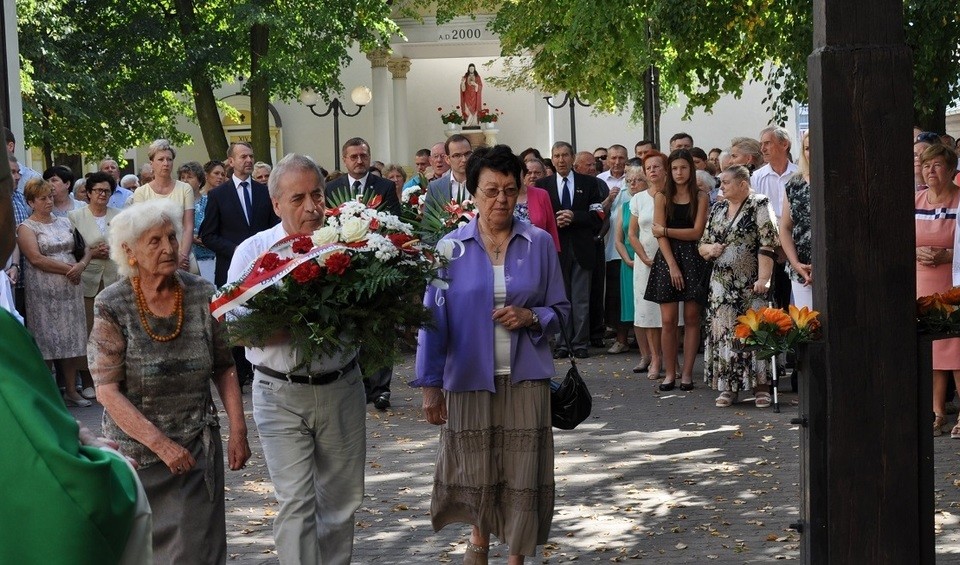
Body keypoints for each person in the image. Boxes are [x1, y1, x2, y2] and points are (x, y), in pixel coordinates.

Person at [414, 144, 570, 564]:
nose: (501, 199)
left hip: (526, 376)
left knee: (522, 472)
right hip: (467, 376)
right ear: (473, 193)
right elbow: (432, 323)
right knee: (476, 468)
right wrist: (430, 386)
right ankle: (479, 541)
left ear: (521, 191)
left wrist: (531, 316)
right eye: (491, 190)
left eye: (509, 189)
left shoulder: (537, 243)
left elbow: (561, 311)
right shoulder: (450, 248)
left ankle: (517, 555)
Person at [90, 199, 249, 562]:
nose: (168, 248)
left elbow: (224, 366)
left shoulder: (200, 293)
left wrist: (237, 429)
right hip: (135, 457)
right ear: (129, 252)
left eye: (171, 237)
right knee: (143, 553)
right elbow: (106, 390)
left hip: (195, 448)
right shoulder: (111, 305)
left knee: (197, 551)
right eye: (155, 241)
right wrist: (160, 444)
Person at [228, 153, 365, 563]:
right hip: (279, 393)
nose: (311, 207)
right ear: (276, 205)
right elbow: (234, 328)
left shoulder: (352, 245)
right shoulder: (252, 253)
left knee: (342, 504)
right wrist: (299, 326)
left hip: (341, 386)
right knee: (296, 503)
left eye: (318, 195)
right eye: (298, 198)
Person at [326, 138, 402, 410]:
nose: (359, 160)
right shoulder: (332, 188)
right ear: (344, 159)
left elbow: (395, 222)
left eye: (363, 155)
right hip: (345, 268)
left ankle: (381, 388)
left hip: (377, 265)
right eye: (354, 156)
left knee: (379, 327)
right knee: (352, 328)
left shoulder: (383, 187)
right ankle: (358, 385)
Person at [699, 165, 780, 408]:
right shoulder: (719, 207)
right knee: (725, 333)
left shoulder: (759, 203)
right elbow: (703, 243)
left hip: (750, 283)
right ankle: (728, 387)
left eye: (725, 182)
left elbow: (768, 243)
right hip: (721, 285)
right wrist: (709, 250)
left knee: (755, 331)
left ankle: (761, 387)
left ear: (743, 183)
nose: (720, 187)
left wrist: (764, 278)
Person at [17, 178, 93, 407]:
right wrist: (69, 269)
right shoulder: (26, 227)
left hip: (70, 291)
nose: (49, 201)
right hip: (43, 293)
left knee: (71, 340)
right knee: (46, 341)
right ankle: (48, 394)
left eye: (50, 196)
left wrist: (81, 265)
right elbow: (36, 258)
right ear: (31, 202)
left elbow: (85, 247)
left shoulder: (64, 221)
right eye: (42, 198)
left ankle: (72, 390)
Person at [644, 149, 709, 391]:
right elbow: (658, 235)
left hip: (693, 257)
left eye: (683, 167)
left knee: (692, 319)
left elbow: (696, 232)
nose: (678, 172)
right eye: (674, 168)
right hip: (667, 258)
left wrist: (666, 231)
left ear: (691, 170)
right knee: (668, 321)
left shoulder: (701, 196)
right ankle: (670, 373)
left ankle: (688, 374)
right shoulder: (661, 196)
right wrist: (672, 265)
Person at [535, 141, 604, 358]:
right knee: (559, 299)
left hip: (582, 248)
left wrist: (575, 216)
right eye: (556, 156)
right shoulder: (542, 185)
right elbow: (540, 218)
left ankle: (580, 344)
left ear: (572, 157)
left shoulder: (589, 183)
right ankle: (563, 343)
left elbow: (598, 215)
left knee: (581, 298)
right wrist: (557, 222)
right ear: (552, 159)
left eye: (565, 155)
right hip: (555, 249)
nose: (561, 160)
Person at [915, 144, 960, 437]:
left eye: (937, 165)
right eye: (926, 165)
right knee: (931, 348)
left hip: (953, 280)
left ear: (952, 169)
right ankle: (936, 412)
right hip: (922, 282)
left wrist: (949, 255)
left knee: (956, 348)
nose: (931, 171)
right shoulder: (915, 199)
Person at [69, 171, 120, 400]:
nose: (102, 194)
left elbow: (125, 245)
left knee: (113, 332)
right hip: (87, 281)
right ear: (88, 193)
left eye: (107, 191)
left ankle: (114, 380)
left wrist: (112, 250)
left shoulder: (119, 216)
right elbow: (72, 248)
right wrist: (92, 252)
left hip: (113, 280)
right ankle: (89, 381)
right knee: (89, 331)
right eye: (98, 190)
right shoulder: (74, 216)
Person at [199, 142, 277, 287]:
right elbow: (208, 236)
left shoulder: (265, 192)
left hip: (263, 270)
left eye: (251, 156)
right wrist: (236, 250)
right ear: (231, 161)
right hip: (230, 269)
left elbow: (274, 228)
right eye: (243, 156)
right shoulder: (218, 195)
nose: (249, 160)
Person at [131, 139, 195, 273]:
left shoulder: (185, 189)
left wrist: (182, 255)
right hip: (153, 253)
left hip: (182, 251)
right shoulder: (141, 192)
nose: (166, 163)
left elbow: (188, 226)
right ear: (152, 163)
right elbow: (141, 229)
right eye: (161, 159)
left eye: (169, 159)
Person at [628, 158, 665, 377]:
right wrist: (643, 256)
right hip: (645, 262)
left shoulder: (673, 194)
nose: (652, 171)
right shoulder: (639, 199)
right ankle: (655, 358)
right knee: (648, 311)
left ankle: (672, 360)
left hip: (670, 260)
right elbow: (632, 233)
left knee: (673, 314)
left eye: (656, 166)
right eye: (648, 168)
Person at [613, 165, 652, 369]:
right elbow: (618, 239)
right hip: (629, 262)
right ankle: (645, 356)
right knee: (636, 310)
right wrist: (627, 259)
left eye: (637, 180)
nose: (632, 184)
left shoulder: (654, 202)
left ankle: (659, 355)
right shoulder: (625, 207)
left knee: (653, 309)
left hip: (650, 258)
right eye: (629, 181)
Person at [780, 132, 813, 308]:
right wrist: (796, 264)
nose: (811, 152)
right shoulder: (794, 183)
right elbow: (785, 227)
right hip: (801, 267)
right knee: (807, 327)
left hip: (837, 266)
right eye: (807, 148)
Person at [179, 161, 216, 282]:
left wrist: (195, 238)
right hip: (183, 261)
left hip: (207, 259)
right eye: (182, 177)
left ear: (200, 181)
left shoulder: (209, 202)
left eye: (189, 177)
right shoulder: (176, 203)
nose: (185, 181)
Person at [516, 159, 560, 251]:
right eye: (529, 173)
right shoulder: (506, 195)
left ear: (544, 174)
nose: (533, 176)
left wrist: (554, 251)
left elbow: (551, 226)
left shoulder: (543, 194)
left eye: (537, 173)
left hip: (539, 249)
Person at [426, 134, 473, 207]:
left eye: (467, 154)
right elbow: (428, 217)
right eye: (457, 155)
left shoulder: (482, 183)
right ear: (447, 159)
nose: (464, 159)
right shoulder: (435, 187)